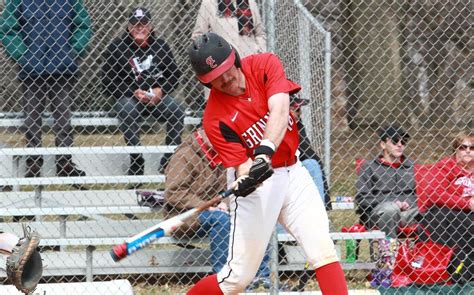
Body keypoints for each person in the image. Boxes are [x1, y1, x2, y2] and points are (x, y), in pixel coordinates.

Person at [186, 33, 347, 294]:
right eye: (215, 79)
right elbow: (242, 165)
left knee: (322, 250)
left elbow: (281, 109)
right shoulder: (215, 118)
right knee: (236, 278)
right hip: (259, 190)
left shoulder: (264, 65)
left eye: (227, 70)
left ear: (235, 58)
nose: (225, 80)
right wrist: (248, 177)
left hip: (294, 173)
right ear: (205, 83)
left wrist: (263, 153)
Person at [164, 127, 275, 290]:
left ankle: (259, 276)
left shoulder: (225, 155)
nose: (223, 142)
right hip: (185, 215)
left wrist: (226, 204)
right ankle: (224, 279)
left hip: (218, 210)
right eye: (218, 137)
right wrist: (207, 206)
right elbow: (173, 193)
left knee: (253, 215)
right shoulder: (184, 155)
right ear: (204, 134)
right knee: (221, 220)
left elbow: (235, 186)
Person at [0, 0, 92, 178]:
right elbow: (7, 28)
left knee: (63, 119)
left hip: (62, 71)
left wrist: (72, 51)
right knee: (32, 120)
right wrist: (22, 55)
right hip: (32, 71)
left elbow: (84, 25)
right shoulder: (19, 1)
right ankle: (33, 162)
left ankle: (64, 162)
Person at [101, 7, 184, 176]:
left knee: (177, 109)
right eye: (135, 24)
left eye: (144, 24)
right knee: (127, 108)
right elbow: (107, 82)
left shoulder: (161, 46)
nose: (140, 28)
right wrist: (133, 91)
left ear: (151, 26)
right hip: (130, 99)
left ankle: (168, 159)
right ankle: (137, 158)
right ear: (129, 27)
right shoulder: (117, 48)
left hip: (156, 99)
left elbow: (174, 75)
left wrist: (161, 90)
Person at [355, 125, 419, 264]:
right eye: (395, 141)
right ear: (383, 144)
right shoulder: (369, 167)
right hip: (379, 214)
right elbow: (362, 198)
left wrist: (408, 203)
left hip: (408, 212)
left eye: (403, 142)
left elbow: (421, 194)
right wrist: (393, 202)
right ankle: (388, 259)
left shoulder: (412, 167)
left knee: (433, 212)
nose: (400, 145)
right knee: (391, 209)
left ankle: (421, 260)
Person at [417, 131, 473, 283]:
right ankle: (456, 272)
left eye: (472, 147)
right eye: (463, 147)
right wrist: (467, 203)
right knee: (450, 220)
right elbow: (435, 194)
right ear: (455, 150)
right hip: (450, 213)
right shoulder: (446, 167)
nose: (468, 150)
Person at [289, 94, 331, 209]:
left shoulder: (298, 126)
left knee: (312, 164)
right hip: (280, 172)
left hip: (296, 168)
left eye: (299, 110)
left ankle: (320, 213)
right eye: (295, 109)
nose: (299, 114)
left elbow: (309, 154)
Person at [192, 0, 266, 58]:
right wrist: (212, 56)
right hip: (224, 63)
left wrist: (260, 52)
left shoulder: (250, 2)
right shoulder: (209, 3)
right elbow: (198, 36)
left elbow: (260, 34)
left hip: (250, 60)